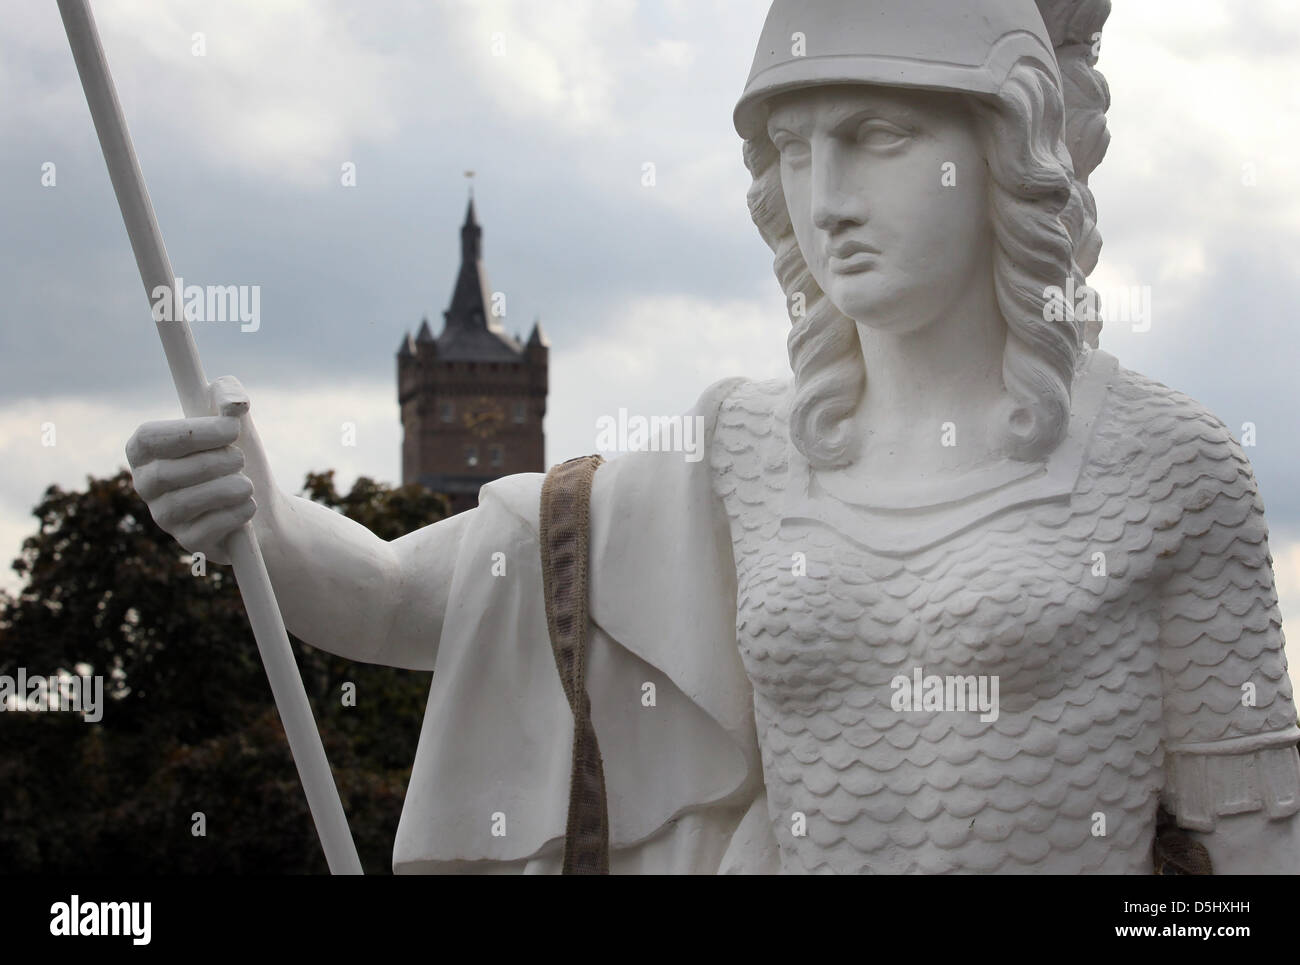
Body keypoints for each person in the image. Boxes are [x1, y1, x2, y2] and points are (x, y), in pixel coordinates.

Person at [125, 0, 1300, 873]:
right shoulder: (743, 452)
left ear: (1007, 146)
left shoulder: (1164, 463)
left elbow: (1249, 844)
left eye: (878, 135)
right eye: (792, 149)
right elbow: (395, 599)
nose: (825, 196)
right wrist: (256, 515)